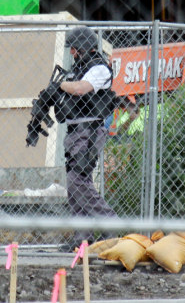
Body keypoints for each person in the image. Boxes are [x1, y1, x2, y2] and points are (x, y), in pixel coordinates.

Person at [57, 27, 119, 252]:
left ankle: (110, 224)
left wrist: (60, 85)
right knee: (73, 186)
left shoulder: (99, 68)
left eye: (74, 48)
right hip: (74, 132)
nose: (72, 53)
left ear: (84, 46)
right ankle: (83, 238)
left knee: (78, 180)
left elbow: (82, 89)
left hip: (90, 132)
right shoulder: (78, 68)